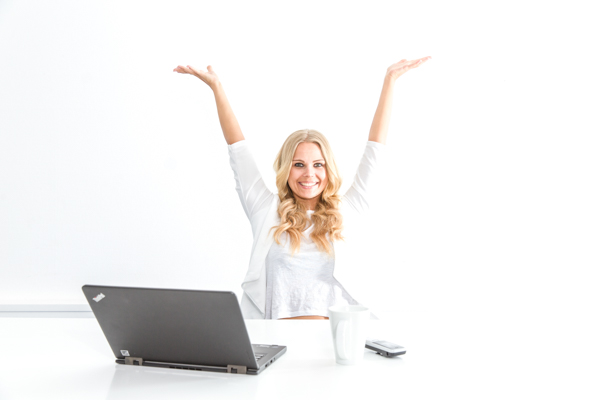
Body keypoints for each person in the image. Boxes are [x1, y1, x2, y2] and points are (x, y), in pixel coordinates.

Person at [174, 57, 431, 319]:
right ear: (286, 169)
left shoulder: (349, 210)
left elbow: (375, 151)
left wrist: (389, 81)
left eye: (318, 165)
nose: (309, 173)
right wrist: (217, 87)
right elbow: (238, 149)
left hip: (336, 341)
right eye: (299, 164)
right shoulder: (266, 209)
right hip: (276, 341)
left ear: (328, 169)